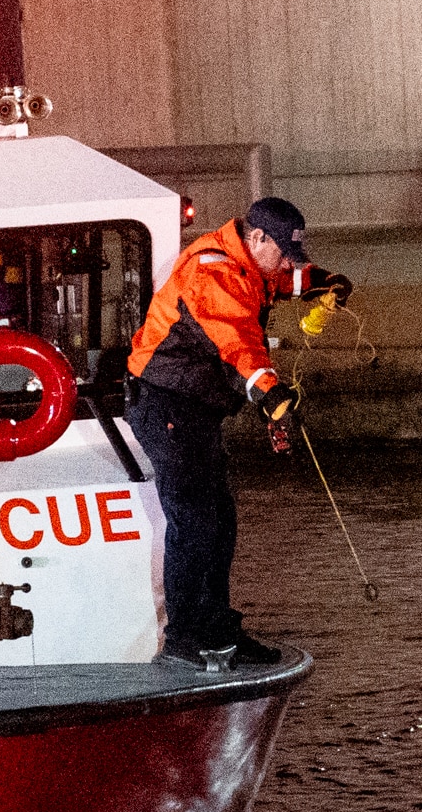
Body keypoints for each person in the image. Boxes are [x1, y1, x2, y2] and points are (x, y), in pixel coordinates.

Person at [123, 196, 350, 668]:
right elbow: (237, 342)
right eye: (285, 253)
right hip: (166, 404)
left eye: (295, 256)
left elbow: (280, 279)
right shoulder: (214, 273)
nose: (289, 264)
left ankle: (218, 629)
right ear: (257, 238)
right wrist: (270, 394)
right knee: (194, 521)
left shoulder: (252, 264)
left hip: (192, 409)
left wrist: (321, 282)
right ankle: (184, 638)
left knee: (219, 522)